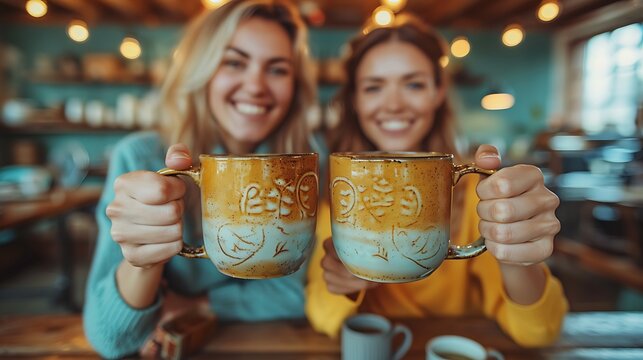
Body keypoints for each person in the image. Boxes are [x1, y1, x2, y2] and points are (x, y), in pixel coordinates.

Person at [305, 14, 568, 347]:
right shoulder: (341, 194)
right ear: (355, 101)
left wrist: (517, 256)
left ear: (438, 93)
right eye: (373, 86)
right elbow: (324, 316)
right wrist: (343, 283)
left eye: (413, 84)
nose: (394, 104)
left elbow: (539, 332)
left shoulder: (478, 196)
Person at [83, 0, 318, 357]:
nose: (256, 85)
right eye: (234, 62)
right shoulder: (143, 159)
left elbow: (296, 293)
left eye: (278, 69)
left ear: (295, 85)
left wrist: (194, 304)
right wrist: (143, 263)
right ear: (202, 69)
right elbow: (110, 340)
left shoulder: (307, 162)